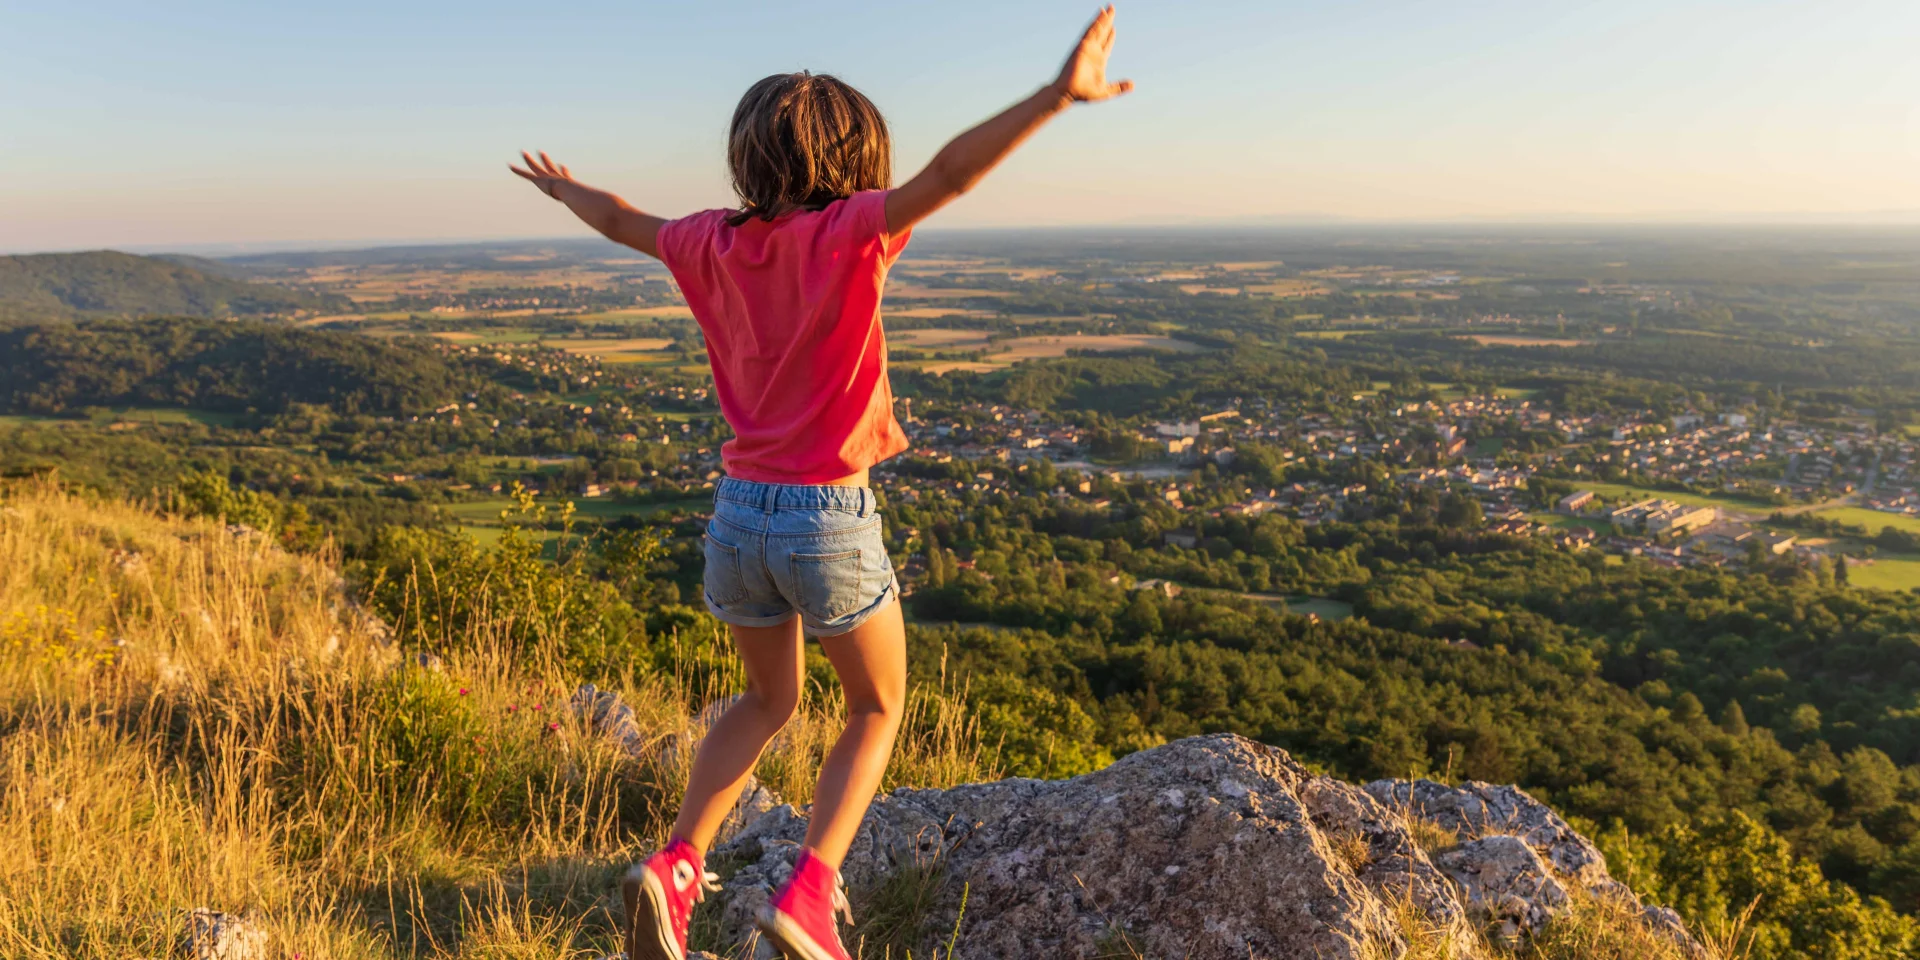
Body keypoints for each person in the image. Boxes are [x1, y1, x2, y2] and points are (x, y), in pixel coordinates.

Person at [509, 8, 1130, 959]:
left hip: (737, 516)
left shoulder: (707, 242)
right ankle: (808, 892)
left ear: (744, 160)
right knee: (877, 707)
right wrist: (1055, 97)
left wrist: (564, 191)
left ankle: (677, 863)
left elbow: (620, 219)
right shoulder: (849, 232)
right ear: (858, 157)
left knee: (765, 702)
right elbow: (951, 175)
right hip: (825, 515)